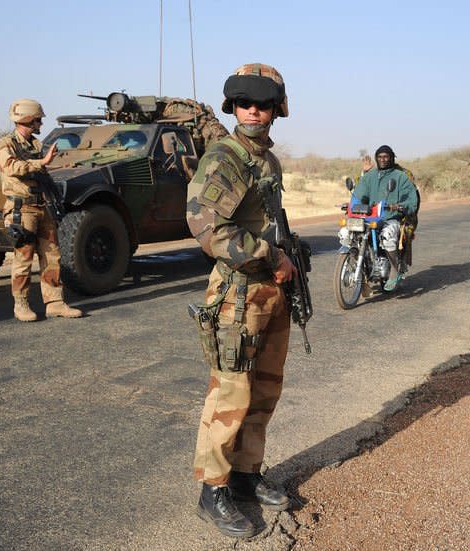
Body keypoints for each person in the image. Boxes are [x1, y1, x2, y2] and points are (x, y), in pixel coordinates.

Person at [186, 63, 296, 539]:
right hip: (238, 293)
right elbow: (210, 231)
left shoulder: (267, 161)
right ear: (233, 106)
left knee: (265, 390)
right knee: (230, 395)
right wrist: (271, 256)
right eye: (245, 101)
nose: (254, 109)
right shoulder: (224, 158)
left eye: (263, 102)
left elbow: (270, 220)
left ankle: (247, 475)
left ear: (277, 108)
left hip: (272, 291)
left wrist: (286, 255)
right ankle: (213, 491)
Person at [0, 99, 83, 322]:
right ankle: (21, 304)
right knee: (23, 258)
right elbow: (12, 167)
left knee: (52, 256)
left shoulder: (34, 145)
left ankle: (54, 303)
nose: (40, 123)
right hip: (21, 208)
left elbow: (41, 172)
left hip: (42, 207)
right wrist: (42, 162)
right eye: (37, 120)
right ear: (27, 119)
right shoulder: (6, 144)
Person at [354, 145, 419, 291]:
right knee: (349, 233)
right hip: (371, 217)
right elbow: (359, 192)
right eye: (379, 157)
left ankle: (394, 270)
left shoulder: (401, 176)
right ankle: (363, 270)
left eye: (386, 157)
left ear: (391, 158)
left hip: (391, 217)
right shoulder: (370, 175)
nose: (382, 160)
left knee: (388, 236)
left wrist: (400, 206)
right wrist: (352, 203)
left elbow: (411, 199)